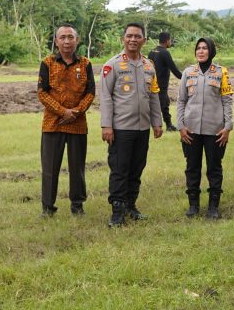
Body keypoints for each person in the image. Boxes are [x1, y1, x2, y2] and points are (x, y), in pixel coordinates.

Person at [98, 22, 163, 227]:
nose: (133, 39)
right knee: (119, 169)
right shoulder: (113, 65)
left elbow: (153, 96)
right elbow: (106, 97)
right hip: (120, 129)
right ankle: (117, 212)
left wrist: (157, 122)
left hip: (142, 128)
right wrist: (106, 126)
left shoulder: (148, 66)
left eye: (137, 36)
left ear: (144, 40)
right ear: (123, 39)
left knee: (137, 168)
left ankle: (131, 206)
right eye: (129, 36)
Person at [37, 24, 96, 217]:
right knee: (49, 169)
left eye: (70, 37)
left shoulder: (85, 64)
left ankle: (77, 206)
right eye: (62, 37)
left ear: (77, 40)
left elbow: (90, 92)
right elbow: (42, 93)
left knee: (77, 168)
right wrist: (63, 112)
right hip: (52, 124)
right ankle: (48, 207)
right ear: (56, 41)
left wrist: (76, 111)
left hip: (78, 124)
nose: (67, 41)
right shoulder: (47, 63)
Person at [176, 37, 233, 219]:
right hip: (191, 129)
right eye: (198, 48)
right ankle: (193, 205)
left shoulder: (221, 73)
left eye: (204, 48)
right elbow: (181, 100)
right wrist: (181, 126)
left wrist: (228, 127)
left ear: (211, 51)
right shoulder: (188, 72)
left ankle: (213, 207)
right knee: (192, 167)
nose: (200, 51)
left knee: (214, 168)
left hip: (215, 130)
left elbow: (227, 100)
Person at [147, 31, 182, 132]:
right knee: (161, 106)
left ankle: (168, 125)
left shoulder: (152, 51)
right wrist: (186, 77)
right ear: (167, 41)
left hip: (152, 84)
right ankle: (161, 126)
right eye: (170, 40)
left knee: (162, 104)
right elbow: (174, 69)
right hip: (161, 85)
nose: (170, 42)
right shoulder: (165, 52)